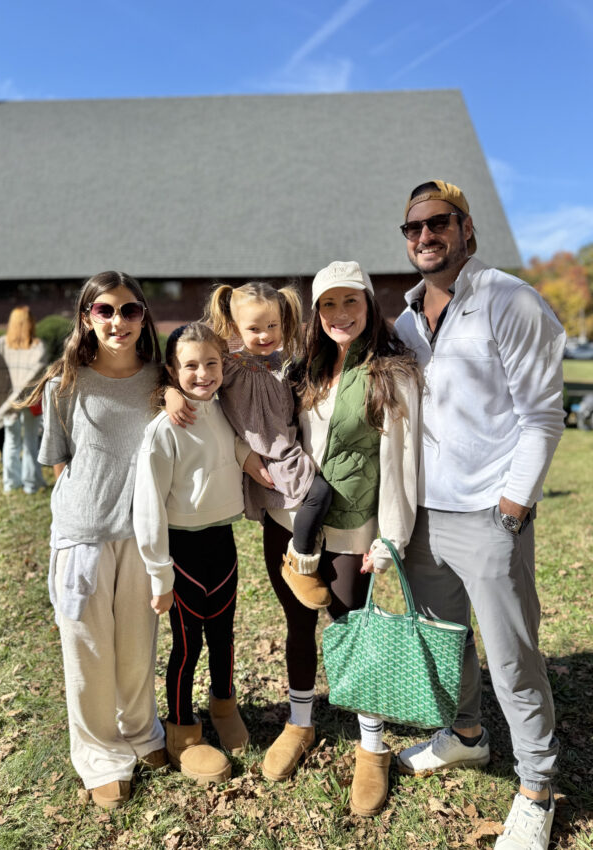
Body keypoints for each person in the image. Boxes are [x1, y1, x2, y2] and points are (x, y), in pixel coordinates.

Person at [393, 180, 566, 850]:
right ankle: (466, 735)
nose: (424, 237)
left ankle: (536, 788)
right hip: (424, 517)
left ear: (468, 230)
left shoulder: (509, 300)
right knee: (447, 643)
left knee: (513, 658)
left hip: (491, 516)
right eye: (411, 228)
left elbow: (543, 417)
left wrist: (512, 506)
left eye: (438, 223)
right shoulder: (405, 322)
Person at [256, 260, 420, 818]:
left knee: (356, 633)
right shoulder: (301, 369)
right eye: (329, 303)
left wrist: (390, 538)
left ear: (370, 307)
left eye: (351, 302)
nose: (339, 314)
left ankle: (372, 748)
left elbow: (403, 463)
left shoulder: (391, 373)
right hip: (291, 525)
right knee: (297, 626)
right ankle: (300, 723)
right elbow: (254, 420)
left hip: (352, 530)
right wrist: (246, 460)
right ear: (317, 312)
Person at [26, 271, 168, 810]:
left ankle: (140, 730)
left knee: (136, 646)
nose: (118, 321)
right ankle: (99, 753)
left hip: (143, 536)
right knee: (87, 654)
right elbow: (59, 461)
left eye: (130, 310)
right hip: (82, 537)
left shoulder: (161, 379)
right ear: (87, 316)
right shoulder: (66, 381)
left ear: (143, 318)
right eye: (105, 310)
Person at [166, 282, 333, 611]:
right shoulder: (228, 365)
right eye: (254, 328)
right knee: (320, 493)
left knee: (323, 499)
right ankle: (300, 563)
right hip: (270, 458)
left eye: (272, 326)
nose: (264, 335)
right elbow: (192, 378)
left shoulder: (284, 363)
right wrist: (170, 393)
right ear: (234, 327)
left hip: (290, 450)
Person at [133, 322, 249, 785]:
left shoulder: (226, 407)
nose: (202, 374)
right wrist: (160, 576)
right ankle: (182, 732)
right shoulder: (165, 429)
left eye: (211, 363)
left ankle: (224, 704)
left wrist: (254, 463)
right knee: (188, 646)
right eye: (190, 366)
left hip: (222, 540)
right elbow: (148, 506)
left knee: (223, 637)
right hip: (181, 549)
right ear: (172, 371)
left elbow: (233, 445)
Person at [0, 306, 48, 493]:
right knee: (30, 442)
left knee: (11, 441)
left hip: (8, 403)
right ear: (31, 322)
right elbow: (39, 372)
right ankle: (31, 484)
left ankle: (11, 483)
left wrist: (5, 399)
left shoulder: (0, 345)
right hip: (30, 400)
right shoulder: (37, 346)